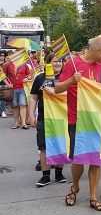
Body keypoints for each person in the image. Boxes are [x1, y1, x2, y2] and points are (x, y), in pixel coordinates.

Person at [55, 36, 101, 211]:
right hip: (76, 119)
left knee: (95, 159)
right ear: (97, 51)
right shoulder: (73, 63)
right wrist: (72, 80)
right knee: (78, 158)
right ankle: (75, 186)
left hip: (95, 119)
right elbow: (57, 88)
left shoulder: (100, 66)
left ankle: (93, 197)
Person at [29, 52, 67, 187]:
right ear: (47, 63)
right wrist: (30, 115)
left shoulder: (66, 76)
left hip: (62, 117)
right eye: (55, 61)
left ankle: (59, 173)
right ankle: (45, 176)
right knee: (43, 145)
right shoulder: (39, 77)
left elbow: (75, 93)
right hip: (43, 116)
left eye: (60, 61)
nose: (58, 64)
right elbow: (33, 97)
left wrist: (57, 92)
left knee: (61, 144)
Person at [2, 52, 32, 129]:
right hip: (12, 89)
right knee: (15, 106)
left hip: (22, 88)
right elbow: (2, 76)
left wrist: (27, 78)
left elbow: (29, 74)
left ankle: (24, 123)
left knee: (23, 105)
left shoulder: (24, 65)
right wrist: (8, 84)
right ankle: (16, 123)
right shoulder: (7, 65)